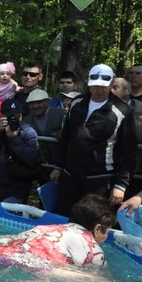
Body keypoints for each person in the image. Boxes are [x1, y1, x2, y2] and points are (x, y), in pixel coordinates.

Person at [50, 64, 136, 215]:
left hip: (99, 180)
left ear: (111, 84)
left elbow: (129, 152)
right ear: (89, 85)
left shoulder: (121, 111)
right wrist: (58, 166)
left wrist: (121, 185)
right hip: (69, 175)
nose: (99, 89)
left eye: (103, 86)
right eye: (95, 86)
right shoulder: (77, 103)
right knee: (62, 219)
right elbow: (66, 137)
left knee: (92, 222)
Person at [0, 194, 113, 269]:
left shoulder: (56, 227)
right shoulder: (93, 249)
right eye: (107, 231)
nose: (106, 236)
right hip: (17, 263)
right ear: (98, 229)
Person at [0, 99, 41, 204]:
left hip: (16, 191)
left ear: (21, 115)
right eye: (10, 116)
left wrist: (14, 139)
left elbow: (32, 158)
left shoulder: (28, 131)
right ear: (2, 115)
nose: (14, 119)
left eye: (17, 116)